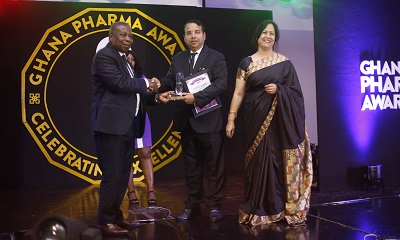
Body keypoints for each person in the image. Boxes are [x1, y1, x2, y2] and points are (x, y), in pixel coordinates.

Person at [225, 20, 313, 227]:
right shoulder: (246, 63)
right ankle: (258, 207)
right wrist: (231, 118)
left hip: (279, 124)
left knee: (277, 162)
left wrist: (280, 90)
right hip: (254, 119)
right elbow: (238, 92)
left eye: (272, 33)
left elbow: (296, 94)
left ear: (276, 38)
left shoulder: (285, 63)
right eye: (264, 32)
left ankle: (280, 207)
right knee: (257, 164)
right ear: (257, 36)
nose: (268, 36)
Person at [90, 21, 159, 236]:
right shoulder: (104, 56)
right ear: (111, 37)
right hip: (111, 126)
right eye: (123, 35)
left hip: (128, 125)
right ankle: (104, 220)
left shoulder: (125, 60)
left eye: (130, 35)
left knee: (122, 175)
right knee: (112, 174)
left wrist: (157, 96)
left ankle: (115, 216)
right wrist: (146, 83)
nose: (128, 39)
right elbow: (119, 84)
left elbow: (135, 91)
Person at [156, 19, 228, 222]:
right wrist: (158, 83)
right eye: (189, 33)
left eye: (197, 32)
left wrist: (197, 97)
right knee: (191, 168)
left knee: (214, 167)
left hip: (210, 120)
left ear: (204, 35)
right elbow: (170, 79)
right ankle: (193, 205)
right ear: (184, 36)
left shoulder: (216, 57)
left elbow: (221, 84)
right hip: (187, 122)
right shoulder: (178, 58)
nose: (193, 36)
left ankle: (215, 206)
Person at [125, 50, 157, 205]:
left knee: (145, 153)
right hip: (124, 122)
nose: (130, 62)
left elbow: (148, 97)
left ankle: (151, 190)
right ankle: (131, 192)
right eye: (127, 59)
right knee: (126, 157)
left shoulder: (141, 78)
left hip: (142, 119)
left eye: (133, 59)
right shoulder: (118, 79)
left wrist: (157, 96)